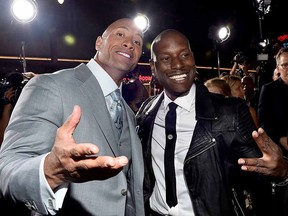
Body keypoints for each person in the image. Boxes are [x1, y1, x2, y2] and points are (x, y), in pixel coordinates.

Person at [0, 18, 145, 216]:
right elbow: (8, 169)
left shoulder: (128, 112)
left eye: (137, 41)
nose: (130, 43)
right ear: (99, 43)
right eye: (120, 34)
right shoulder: (50, 85)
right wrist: (51, 171)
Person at [136, 29, 276, 216]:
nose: (178, 64)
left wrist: (282, 172)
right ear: (153, 67)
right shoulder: (146, 111)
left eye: (184, 55)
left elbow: (260, 175)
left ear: (193, 58)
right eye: (166, 59)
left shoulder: (231, 111)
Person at [258, 47, 288, 154]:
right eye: (285, 65)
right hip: (281, 151)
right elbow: (263, 121)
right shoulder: (268, 90)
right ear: (278, 68)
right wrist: (280, 138)